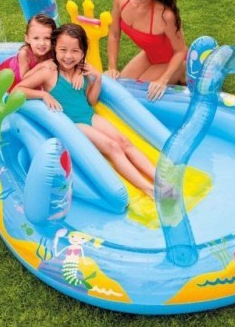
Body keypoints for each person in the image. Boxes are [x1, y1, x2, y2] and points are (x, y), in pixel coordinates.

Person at [15, 23, 163, 199]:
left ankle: (160, 180)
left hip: (88, 115)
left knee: (125, 142)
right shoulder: (49, 71)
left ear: (83, 52)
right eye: (63, 50)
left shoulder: (82, 69)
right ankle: (148, 189)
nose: (68, 56)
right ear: (55, 48)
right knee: (113, 147)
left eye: (75, 51)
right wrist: (43, 95)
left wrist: (97, 78)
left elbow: (90, 100)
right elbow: (18, 90)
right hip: (73, 123)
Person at [105, 0, 187, 101]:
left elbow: (180, 51)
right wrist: (112, 67)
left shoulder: (166, 16)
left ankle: (181, 74)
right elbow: (114, 34)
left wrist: (162, 80)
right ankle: (178, 79)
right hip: (149, 55)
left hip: (172, 61)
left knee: (135, 96)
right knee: (118, 89)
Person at [0, 13, 57, 90]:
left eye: (47, 38)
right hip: (14, 78)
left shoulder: (53, 51)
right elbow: (24, 77)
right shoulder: (24, 53)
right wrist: (41, 65)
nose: (42, 43)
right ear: (27, 38)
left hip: (34, 77)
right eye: (36, 38)